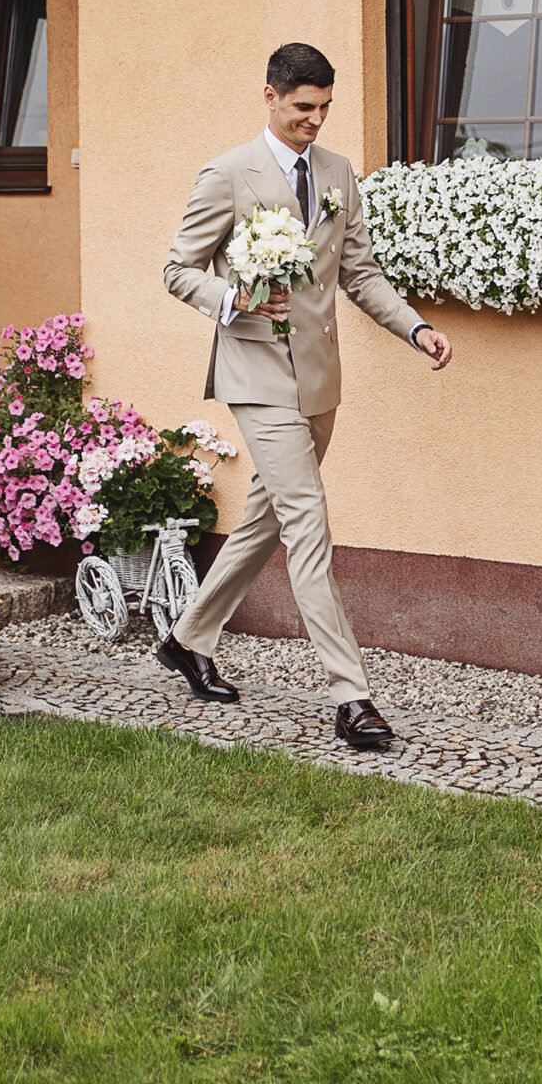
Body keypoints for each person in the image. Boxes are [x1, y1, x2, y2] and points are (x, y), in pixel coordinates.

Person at [160, 42, 451, 749]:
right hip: (255, 376)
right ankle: (352, 697)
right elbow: (178, 269)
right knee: (307, 526)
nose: (314, 120)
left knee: (266, 517)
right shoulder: (227, 174)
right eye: (302, 107)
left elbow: (360, 273)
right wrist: (235, 299)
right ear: (270, 96)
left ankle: (187, 640)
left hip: (319, 380)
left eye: (323, 108)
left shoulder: (337, 173)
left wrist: (415, 328)